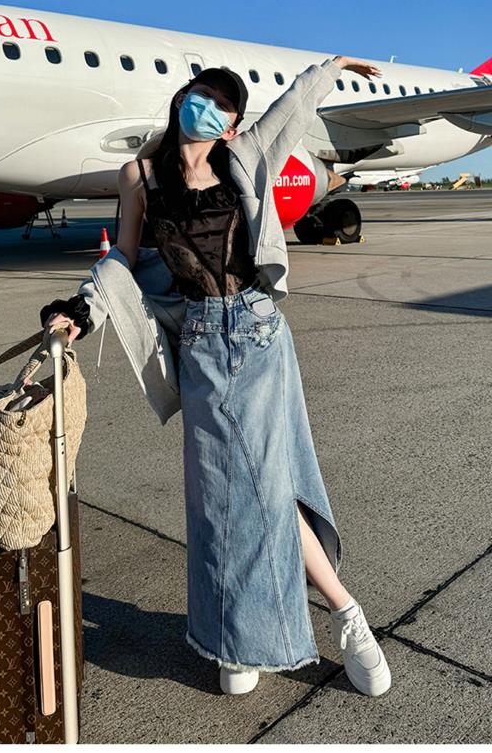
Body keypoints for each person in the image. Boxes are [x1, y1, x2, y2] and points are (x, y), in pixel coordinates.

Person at [41, 55, 392, 697]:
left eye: (223, 105)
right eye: (200, 94)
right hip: (201, 342)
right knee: (217, 499)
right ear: (182, 98)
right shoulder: (140, 176)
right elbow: (124, 256)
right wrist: (83, 310)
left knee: (265, 485)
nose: (208, 107)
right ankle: (241, 634)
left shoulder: (244, 156)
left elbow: (293, 108)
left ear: (231, 125)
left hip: (259, 335)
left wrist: (332, 67)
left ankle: (346, 616)